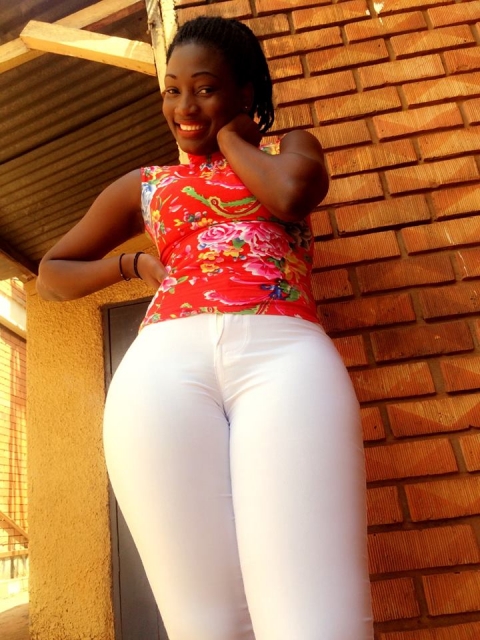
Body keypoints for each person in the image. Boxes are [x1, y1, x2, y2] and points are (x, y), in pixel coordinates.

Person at [37, 16, 374, 640]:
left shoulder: (291, 150)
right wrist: (133, 264)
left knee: (318, 623)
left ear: (246, 92)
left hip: (284, 355)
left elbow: (291, 196)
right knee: (206, 627)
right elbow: (51, 274)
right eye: (172, 90)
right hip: (162, 368)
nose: (184, 107)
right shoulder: (147, 185)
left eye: (205, 89)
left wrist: (234, 139)